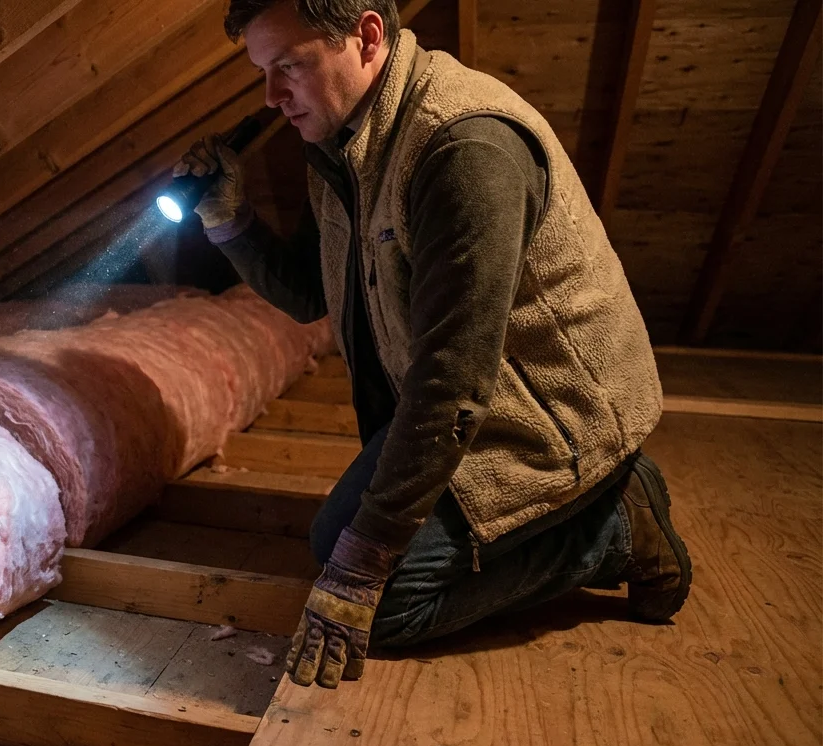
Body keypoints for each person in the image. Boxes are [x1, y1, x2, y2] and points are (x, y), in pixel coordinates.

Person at [173, 0, 692, 689]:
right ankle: (568, 524)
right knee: (330, 544)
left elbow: (454, 383)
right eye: (264, 73)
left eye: (289, 67)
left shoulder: (462, 149)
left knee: (377, 606)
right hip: (464, 403)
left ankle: (615, 525)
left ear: (366, 35)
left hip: (552, 421)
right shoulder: (341, 141)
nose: (272, 97)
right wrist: (230, 219)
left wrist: (365, 565)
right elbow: (314, 293)